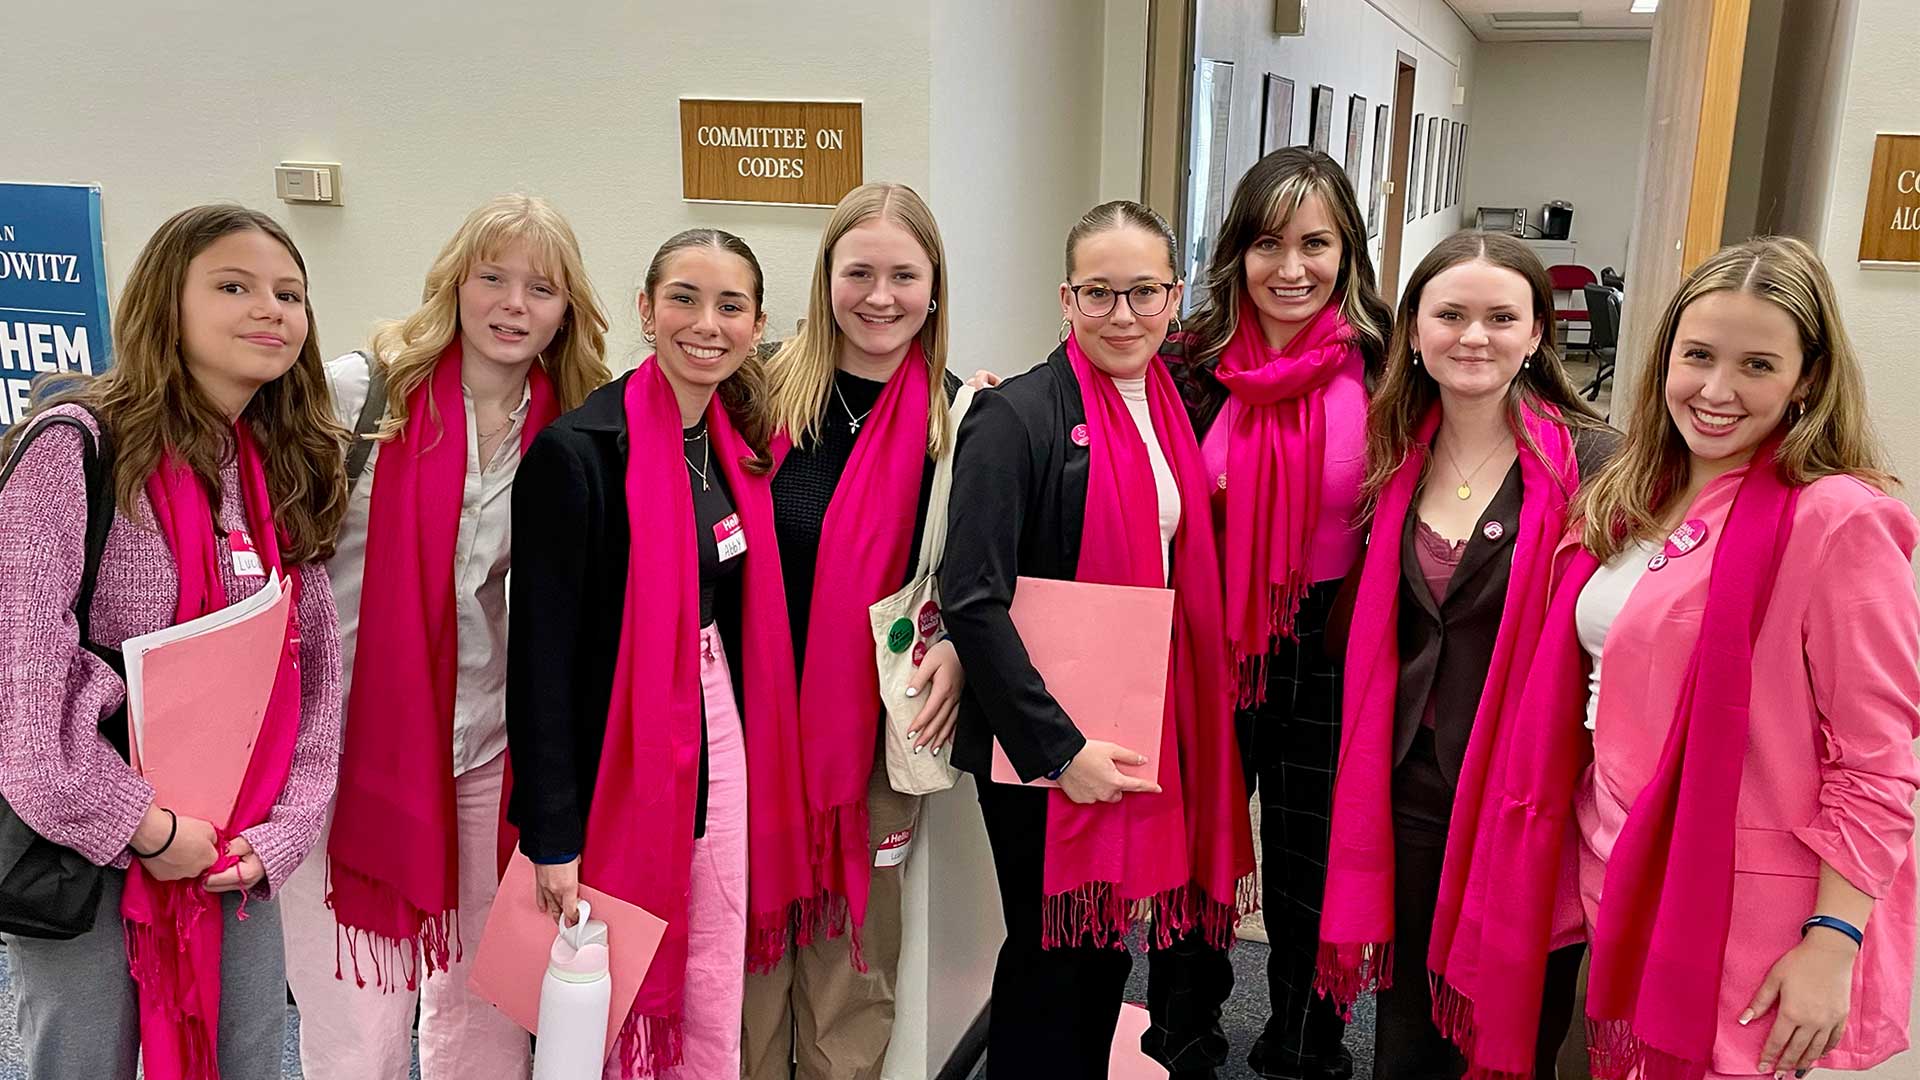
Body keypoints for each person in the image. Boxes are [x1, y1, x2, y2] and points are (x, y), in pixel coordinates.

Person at [1433, 236, 1917, 1080]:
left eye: (1758, 364)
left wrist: (1834, 939)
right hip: (1608, 869)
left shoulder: (1837, 519)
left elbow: (1879, 763)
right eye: (1698, 356)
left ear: (1808, 377)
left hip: (1739, 906)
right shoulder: (1639, 489)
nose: (1717, 390)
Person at [0, 203, 347, 1080]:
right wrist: (147, 830)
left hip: (231, 842)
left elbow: (309, 679)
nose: (271, 309)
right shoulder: (76, 448)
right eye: (233, 286)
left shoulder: (280, 466)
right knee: (83, 1062)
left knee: (250, 1058)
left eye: (289, 293)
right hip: (84, 838)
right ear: (168, 302)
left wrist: (284, 832)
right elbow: (24, 695)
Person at [278, 193, 611, 1079]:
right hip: (350, 750)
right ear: (454, 284)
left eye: (540, 288)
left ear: (567, 307)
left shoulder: (573, 427)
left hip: (490, 753)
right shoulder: (361, 394)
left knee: (485, 1011)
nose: (513, 304)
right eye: (492, 277)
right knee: (362, 1024)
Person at [941, 200, 1254, 1080]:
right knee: (1053, 962)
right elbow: (973, 602)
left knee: (1105, 954)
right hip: (1041, 745)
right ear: (1066, 298)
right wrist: (1058, 751)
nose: (1123, 315)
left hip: (1134, 718)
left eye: (1144, 293)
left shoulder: (1173, 404)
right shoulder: (1016, 417)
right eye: (1100, 294)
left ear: (1174, 295)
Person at [507, 229, 815, 1078]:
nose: (705, 323)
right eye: (683, 298)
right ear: (646, 310)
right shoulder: (578, 454)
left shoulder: (735, 442)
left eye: (731, 305)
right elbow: (541, 668)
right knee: (621, 972)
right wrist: (553, 836)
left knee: (713, 952)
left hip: (722, 727)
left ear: (757, 326)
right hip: (624, 748)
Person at [1314, 230, 1614, 1080]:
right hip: (1408, 784)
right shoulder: (1388, 450)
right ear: (1414, 331)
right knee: (1407, 1026)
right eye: (1450, 314)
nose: (1473, 336)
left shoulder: (1599, 463)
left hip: (1532, 798)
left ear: (1534, 336)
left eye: (1499, 317)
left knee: (1513, 1023)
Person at [1153, 146, 1390, 1080]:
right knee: (1196, 856)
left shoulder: (1386, 365)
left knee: (1311, 870)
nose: (1291, 269)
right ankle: (1182, 1039)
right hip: (1209, 646)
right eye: (1267, 243)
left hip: (1334, 647)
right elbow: (1088, 393)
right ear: (1236, 252)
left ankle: (1302, 1047)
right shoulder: (1188, 359)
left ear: (1348, 253)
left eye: (1315, 244)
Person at [743, 181, 965, 1080]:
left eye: (903, 275)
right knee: (750, 953)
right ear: (824, 276)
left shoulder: (958, 418)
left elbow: (974, 576)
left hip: (874, 739)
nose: (881, 296)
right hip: (753, 721)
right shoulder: (758, 393)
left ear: (935, 286)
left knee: (854, 957)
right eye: (859, 271)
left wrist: (954, 645)